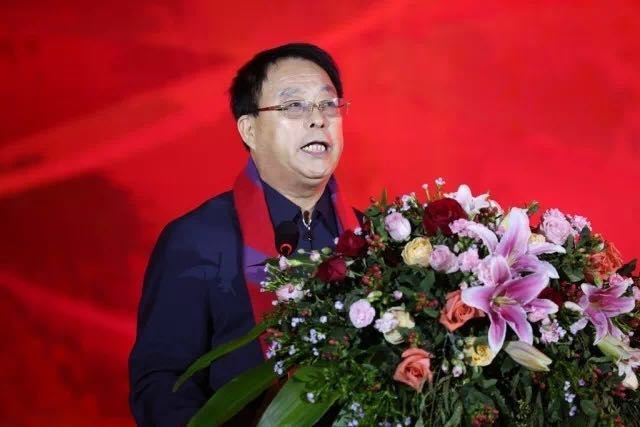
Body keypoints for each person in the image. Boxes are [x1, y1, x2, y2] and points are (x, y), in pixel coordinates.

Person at [128, 43, 360, 427]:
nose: (318, 119)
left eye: (328, 104)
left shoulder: (377, 238)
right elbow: (162, 385)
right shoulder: (196, 240)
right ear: (249, 129)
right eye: (294, 106)